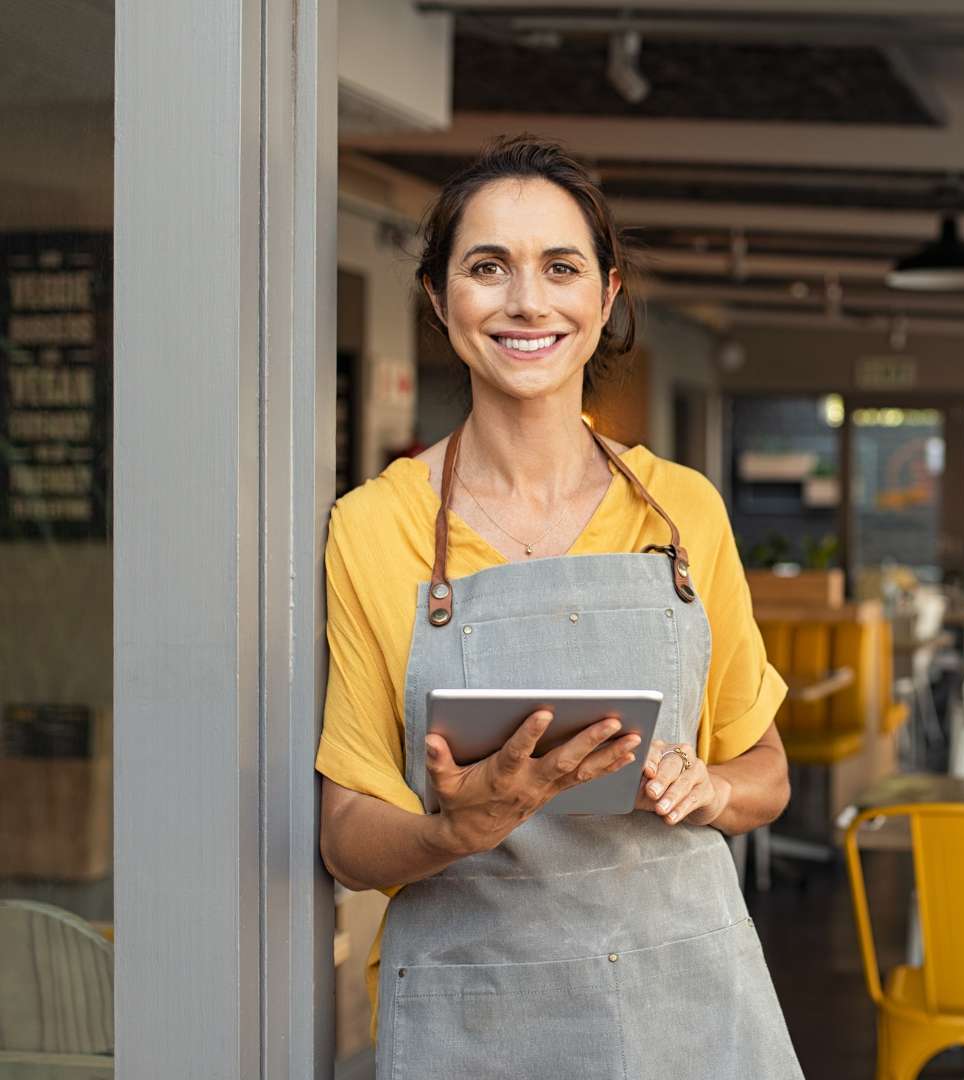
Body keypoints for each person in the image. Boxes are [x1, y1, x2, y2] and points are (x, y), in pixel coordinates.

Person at [316, 136, 803, 1079]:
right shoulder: (376, 527)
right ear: (438, 298)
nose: (527, 302)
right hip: (480, 1011)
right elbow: (346, 838)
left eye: (561, 267)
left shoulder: (681, 511)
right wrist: (455, 828)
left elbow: (766, 769)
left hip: (685, 1000)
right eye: (487, 267)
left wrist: (713, 789)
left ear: (606, 295)